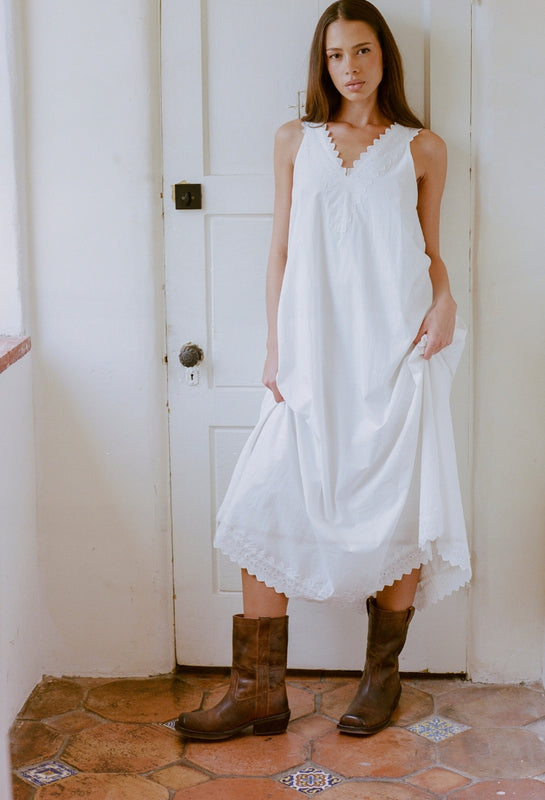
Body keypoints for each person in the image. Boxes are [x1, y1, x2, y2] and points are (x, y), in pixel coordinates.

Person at [176, 0, 471, 741]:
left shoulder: (422, 148)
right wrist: (275, 345)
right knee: (261, 502)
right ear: (322, 64)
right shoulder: (293, 142)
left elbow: (430, 250)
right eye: (337, 55)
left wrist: (445, 301)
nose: (351, 68)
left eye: (363, 51)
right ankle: (258, 693)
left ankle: (380, 679)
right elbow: (278, 250)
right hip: (310, 353)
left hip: (393, 351)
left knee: (395, 503)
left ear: (384, 57)